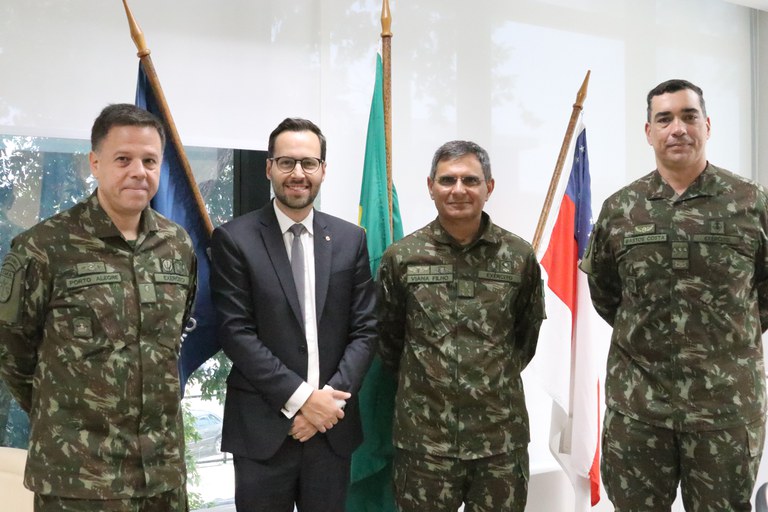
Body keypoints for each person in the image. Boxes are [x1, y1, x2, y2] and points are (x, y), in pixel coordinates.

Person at [580, 79, 768, 511]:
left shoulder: (751, 202)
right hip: (639, 409)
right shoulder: (621, 209)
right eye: (664, 119)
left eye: (688, 116)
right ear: (649, 132)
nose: (677, 128)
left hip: (725, 409)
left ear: (707, 124)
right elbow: (606, 294)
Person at [0, 103, 197, 511]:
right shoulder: (43, 247)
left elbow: (172, 338)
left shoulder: (178, 246)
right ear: (95, 162)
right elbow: (12, 352)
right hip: (78, 476)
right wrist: (65, 416)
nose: (138, 171)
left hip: (161, 473)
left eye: (149, 160)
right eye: (123, 159)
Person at [209, 117, 377, 511]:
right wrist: (302, 399)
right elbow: (237, 333)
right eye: (286, 163)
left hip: (332, 431)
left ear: (323, 170)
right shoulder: (234, 239)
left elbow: (366, 330)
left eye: (308, 163)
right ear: (269, 167)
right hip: (263, 432)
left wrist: (326, 408)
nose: (298, 174)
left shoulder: (351, 240)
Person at [377, 140, 545, 512]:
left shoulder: (518, 257)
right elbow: (389, 341)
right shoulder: (401, 257)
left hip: (499, 443)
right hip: (424, 444)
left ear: (489, 186)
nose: (458, 190)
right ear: (430, 186)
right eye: (447, 180)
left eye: (470, 180)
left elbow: (525, 336)